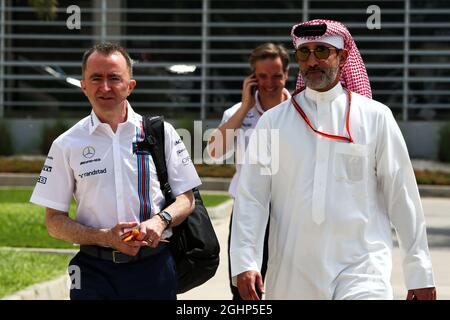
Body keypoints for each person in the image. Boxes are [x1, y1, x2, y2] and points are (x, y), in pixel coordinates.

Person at [230, 19, 436, 300]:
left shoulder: (375, 117)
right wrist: (245, 261)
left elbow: (402, 197)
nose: (312, 61)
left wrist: (419, 271)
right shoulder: (273, 123)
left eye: (322, 51)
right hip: (293, 273)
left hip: (363, 269)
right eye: (304, 53)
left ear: (343, 56)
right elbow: (252, 197)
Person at [30, 42, 201, 299]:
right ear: (83, 85)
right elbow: (54, 222)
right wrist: (104, 238)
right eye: (96, 78)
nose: (105, 87)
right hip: (92, 272)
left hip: (153, 269)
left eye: (114, 78)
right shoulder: (66, 144)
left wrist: (160, 221)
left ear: (130, 86)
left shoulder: (160, 133)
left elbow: (186, 199)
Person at [207, 43, 291, 300]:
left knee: (290, 286)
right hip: (248, 211)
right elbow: (214, 152)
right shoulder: (237, 113)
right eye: (262, 76)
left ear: (286, 75)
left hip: (291, 212)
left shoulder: (300, 111)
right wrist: (245, 106)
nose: (270, 82)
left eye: (276, 75)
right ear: (252, 77)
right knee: (245, 290)